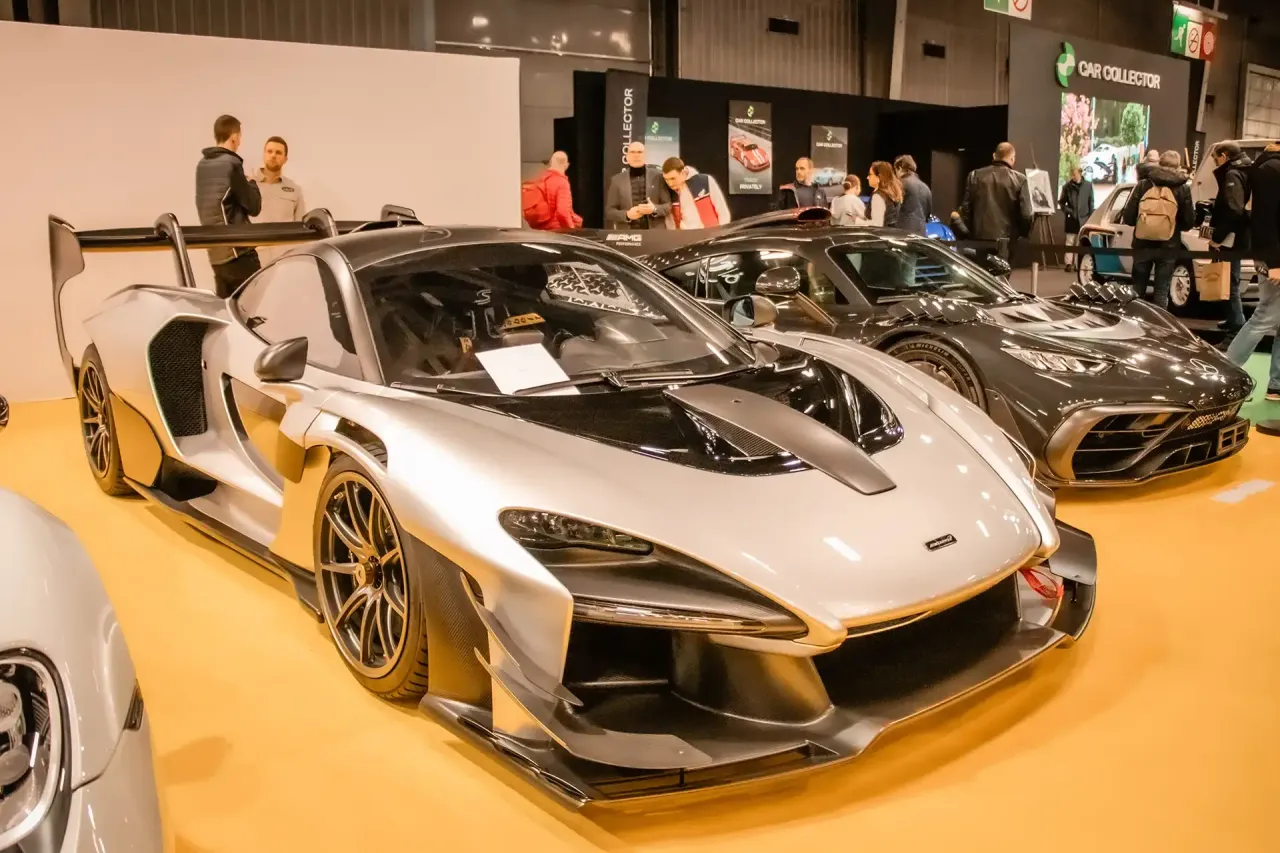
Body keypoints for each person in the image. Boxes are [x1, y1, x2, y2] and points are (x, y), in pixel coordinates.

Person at [1225, 141, 1280, 401]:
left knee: (1270, 318)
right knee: (1264, 317)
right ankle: (1226, 374)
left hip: (1272, 256)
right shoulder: (1271, 169)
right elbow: (1265, 220)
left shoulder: (1268, 167)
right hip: (1275, 259)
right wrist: (1274, 263)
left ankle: (1276, 385)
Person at [195, 114, 262, 297]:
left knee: (226, 310)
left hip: (216, 255)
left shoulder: (202, 165)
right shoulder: (232, 163)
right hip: (239, 253)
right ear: (234, 137)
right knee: (255, 307)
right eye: (240, 136)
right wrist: (252, 183)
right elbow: (254, 206)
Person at [1122, 150, 1195, 310]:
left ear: (1159, 164)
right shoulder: (1183, 188)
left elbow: (1128, 218)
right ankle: (1158, 323)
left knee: (1137, 289)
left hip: (1142, 244)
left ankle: (1135, 321)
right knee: (1161, 291)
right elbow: (1188, 222)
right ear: (1178, 167)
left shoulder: (1144, 184)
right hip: (1169, 245)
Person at [1208, 141, 1254, 333]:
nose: (1214, 162)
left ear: (1224, 156)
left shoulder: (1232, 174)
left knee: (1230, 281)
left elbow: (1233, 210)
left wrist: (1217, 237)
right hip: (1240, 234)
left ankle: (1236, 326)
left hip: (1231, 237)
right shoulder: (1246, 169)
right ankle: (1232, 319)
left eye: (1215, 158)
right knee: (1230, 279)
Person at [959, 142, 1033, 256]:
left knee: (980, 267)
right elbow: (1026, 215)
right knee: (1002, 267)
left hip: (979, 239)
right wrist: (1023, 234)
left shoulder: (974, 175)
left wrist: (969, 234)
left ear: (994, 156)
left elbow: (966, 210)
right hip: (1006, 242)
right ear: (1012, 158)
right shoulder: (1020, 180)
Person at [251, 136, 307, 264]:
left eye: (278, 152)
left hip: (285, 260)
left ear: (285, 159)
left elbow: (301, 230)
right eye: (269, 151)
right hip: (254, 259)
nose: (273, 155)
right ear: (263, 154)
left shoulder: (295, 190)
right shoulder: (248, 186)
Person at [605, 142, 672, 230]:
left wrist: (654, 209)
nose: (636, 155)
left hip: (655, 233)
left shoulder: (658, 177)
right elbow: (609, 211)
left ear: (646, 156)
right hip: (627, 234)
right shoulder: (616, 180)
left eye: (640, 152)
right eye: (632, 152)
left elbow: (668, 206)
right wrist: (627, 215)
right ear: (627, 157)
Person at [661, 158, 731, 229]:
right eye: (666, 179)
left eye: (673, 178)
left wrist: (720, 233)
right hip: (685, 234)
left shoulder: (705, 181)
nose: (670, 183)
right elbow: (670, 220)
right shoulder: (669, 191)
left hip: (709, 233)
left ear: (682, 173)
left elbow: (723, 212)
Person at [524, 151, 582, 231]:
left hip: (541, 231)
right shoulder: (562, 183)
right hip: (557, 231)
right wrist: (571, 231)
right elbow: (563, 213)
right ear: (566, 165)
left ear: (551, 162)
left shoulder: (541, 180)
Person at [1058, 166, 1095, 272]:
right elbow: (1061, 202)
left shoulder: (1088, 186)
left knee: (1079, 242)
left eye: (1074, 174)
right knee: (1070, 241)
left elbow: (1091, 202)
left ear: (1080, 173)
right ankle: (1068, 263)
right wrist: (1069, 211)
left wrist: (1090, 217)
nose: (1073, 177)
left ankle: (1077, 264)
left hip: (1084, 219)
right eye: (1072, 174)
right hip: (1071, 219)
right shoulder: (1067, 187)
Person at [893, 155, 933, 236]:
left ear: (899, 168)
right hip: (921, 233)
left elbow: (894, 210)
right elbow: (928, 213)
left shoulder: (900, 183)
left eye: (895, 171)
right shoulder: (925, 187)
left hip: (902, 233)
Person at [866, 161, 902, 227]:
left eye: (870, 174)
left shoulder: (878, 196)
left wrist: (857, 221)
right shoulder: (893, 194)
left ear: (879, 177)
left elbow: (877, 224)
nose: (867, 177)